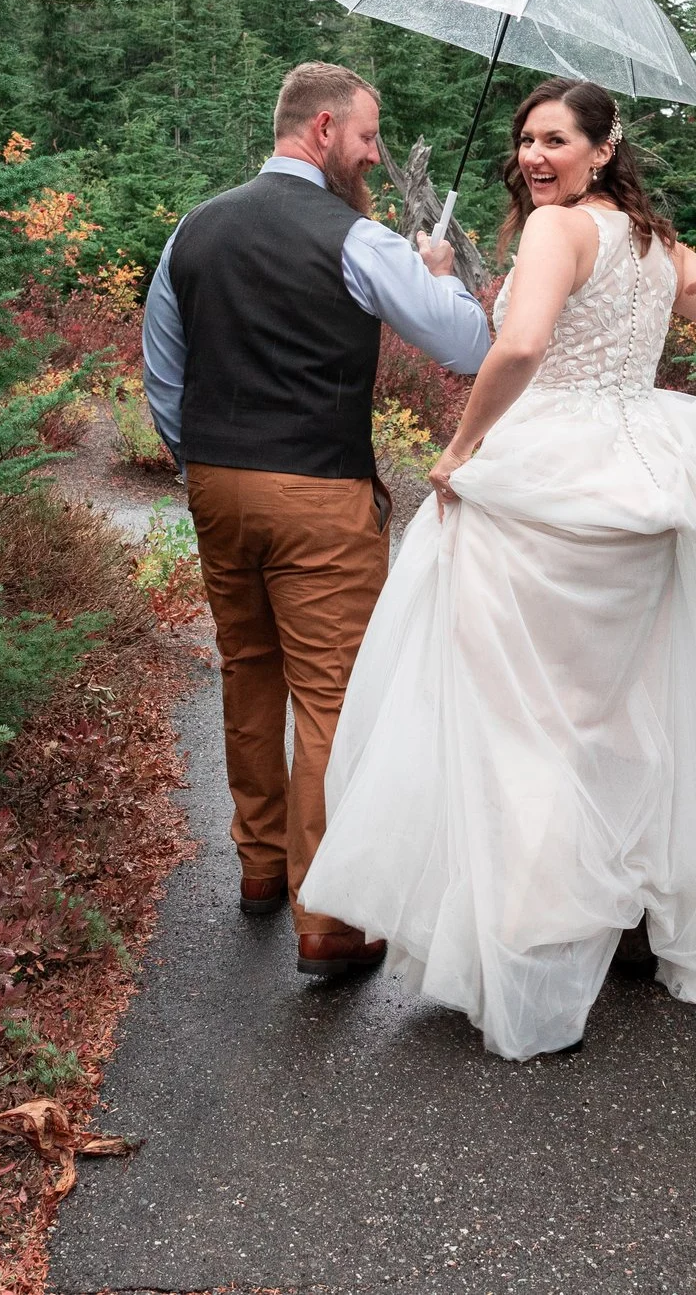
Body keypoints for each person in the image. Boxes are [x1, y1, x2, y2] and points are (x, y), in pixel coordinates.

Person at [299, 77, 696, 1059]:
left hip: (540, 487)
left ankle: (526, 949)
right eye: (525, 139)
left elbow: (519, 347)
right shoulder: (655, 245)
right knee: (614, 713)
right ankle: (625, 924)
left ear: (603, 148)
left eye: (555, 139)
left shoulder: (559, 231)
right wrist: (687, 425)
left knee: (518, 719)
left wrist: (460, 449)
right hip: (631, 496)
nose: (533, 156)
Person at [141, 62, 491, 977]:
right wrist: (442, 276)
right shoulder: (359, 239)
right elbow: (466, 344)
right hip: (319, 493)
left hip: (216, 485)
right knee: (333, 694)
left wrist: (201, 461)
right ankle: (329, 918)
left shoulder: (194, 228)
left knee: (248, 667)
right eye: (370, 137)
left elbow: (163, 376)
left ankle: (261, 869)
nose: (376, 155)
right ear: (325, 129)